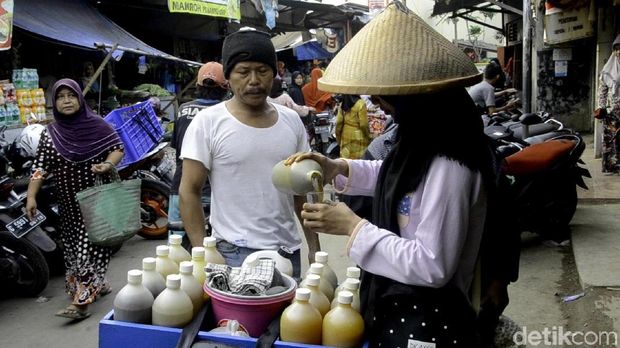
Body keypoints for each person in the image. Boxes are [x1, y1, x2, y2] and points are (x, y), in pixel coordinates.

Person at [286, 4, 497, 346]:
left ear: (421, 104)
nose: (384, 109)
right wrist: (337, 167)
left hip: (429, 321)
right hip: (401, 304)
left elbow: (432, 265)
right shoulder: (424, 145)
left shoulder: (451, 166)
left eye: (389, 103)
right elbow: (395, 175)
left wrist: (353, 227)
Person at [179, 29, 319, 278]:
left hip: (287, 252)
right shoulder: (207, 123)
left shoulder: (292, 122)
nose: (254, 80)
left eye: (262, 70)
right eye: (243, 72)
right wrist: (202, 252)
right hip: (231, 252)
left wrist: (314, 249)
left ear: (274, 73)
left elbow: (301, 193)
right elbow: (189, 190)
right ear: (229, 77)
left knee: (289, 317)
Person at [25, 79, 124, 320]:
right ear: (54, 103)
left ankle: (81, 304)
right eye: (61, 97)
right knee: (72, 250)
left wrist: (108, 164)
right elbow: (40, 168)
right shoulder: (51, 133)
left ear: (80, 99)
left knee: (87, 251)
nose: (66, 100)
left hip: (96, 200)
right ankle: (96, 285)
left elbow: (118, 147)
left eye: (71, 95)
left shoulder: (98, 126)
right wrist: (30, 195)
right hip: (68, 206)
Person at [169, 62, 229, 237]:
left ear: (197, 86)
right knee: (216, 248)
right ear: (226, 88)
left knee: (176, 248)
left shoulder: (183, 109)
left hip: (181, 185)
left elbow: (178, 148)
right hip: (215, 190)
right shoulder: (227, 113)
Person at [594, 34, 620, 175]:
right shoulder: (608, 69)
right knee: (611, 139)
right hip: (612, 112)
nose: (619, 52)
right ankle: (611, 165)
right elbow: (602, 91)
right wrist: (601, 107)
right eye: (616, 49)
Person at [335, 94, 371, 159]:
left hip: (345, 135)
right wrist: (368, 136)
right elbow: (364, 125)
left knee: (346, 160)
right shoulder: (361, 103)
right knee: (358, 161)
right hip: (359, 136)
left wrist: (338, 138)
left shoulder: (342, 105)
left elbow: (339, 123)